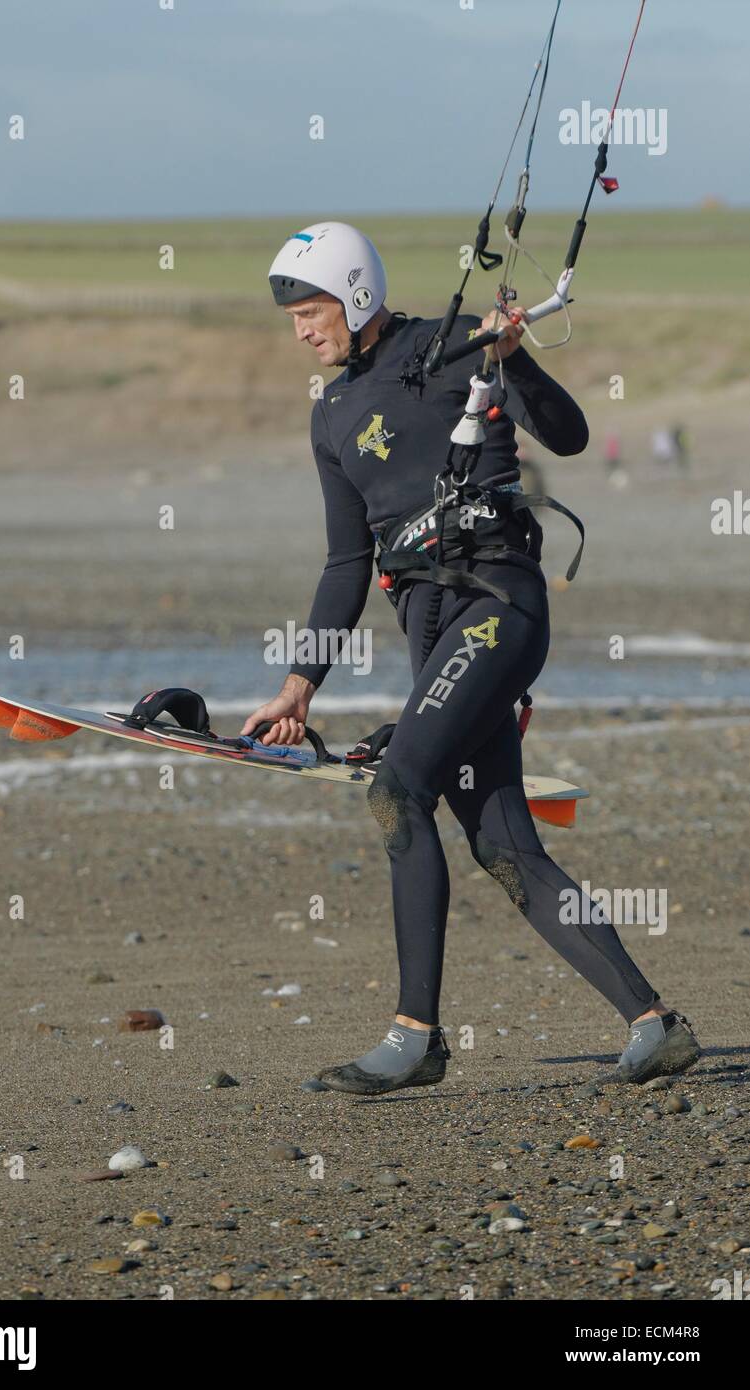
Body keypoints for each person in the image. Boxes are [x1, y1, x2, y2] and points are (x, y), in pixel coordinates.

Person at [243, 221, 700, 1095]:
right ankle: (654, 1026)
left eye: (312, 309)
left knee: (396, 789)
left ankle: (415, 1036)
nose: (302, 330)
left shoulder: (456, 345)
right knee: (503, 846)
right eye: (293, 317)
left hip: (497, 606)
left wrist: (515, 360)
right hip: (432, 633)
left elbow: (566, 436)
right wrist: (300, 684)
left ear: (356, 291)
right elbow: (346, 563)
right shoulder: (331, 414)